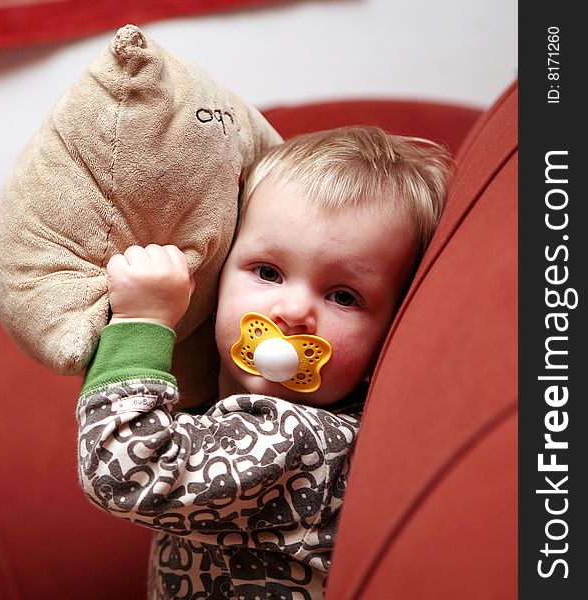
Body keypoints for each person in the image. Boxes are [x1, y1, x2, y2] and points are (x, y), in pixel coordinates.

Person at [76, 125, 452, 599]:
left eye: (343, 296)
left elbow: (127, 474)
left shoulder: (301, 441)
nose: (293, 312)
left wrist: (142, 320)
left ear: (391, 328)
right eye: (268, 272)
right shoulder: (233, 410)